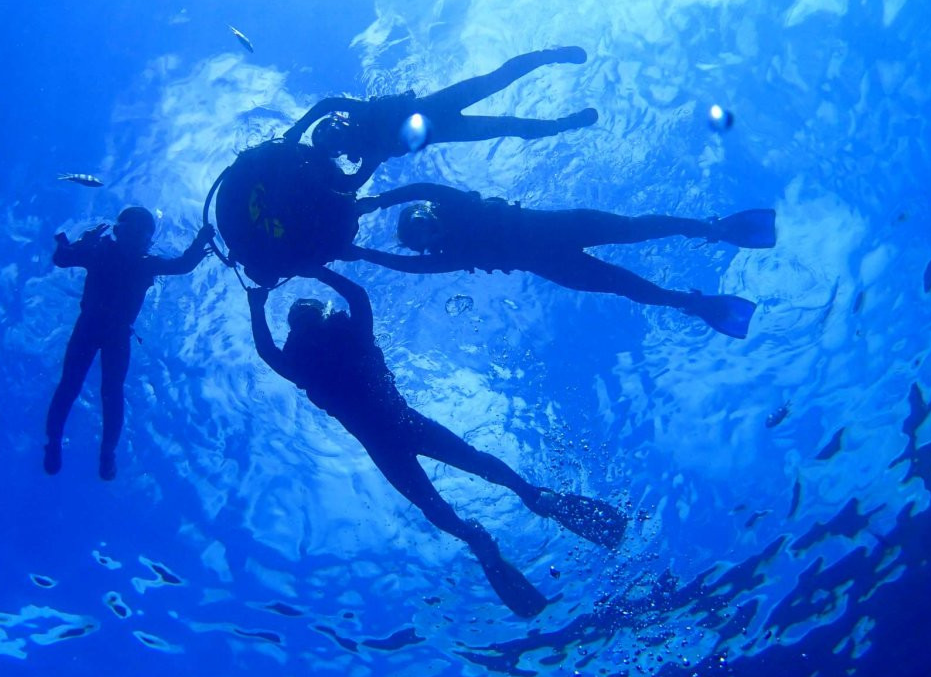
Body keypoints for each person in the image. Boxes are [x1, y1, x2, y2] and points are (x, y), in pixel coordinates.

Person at [247, 266, 625, 617]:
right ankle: (531, 497)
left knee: (435, 502)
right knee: (473, 464)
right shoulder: (351, 338)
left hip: (384, 442)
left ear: (295, 328)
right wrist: (315, 269)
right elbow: (358, 297)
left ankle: (478, 532)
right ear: (320, 316)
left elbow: (267, 349)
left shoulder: (302, 366)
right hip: (407, 424)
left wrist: (256, 303)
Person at [347, 184, 776, 339]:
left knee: (633, 228)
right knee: (628, 286)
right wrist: (364, 253)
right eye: (422, 241)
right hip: (556, 265)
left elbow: (421, 185)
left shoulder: (456, 205)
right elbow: (413, 267)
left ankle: (711, 229)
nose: (429, 239)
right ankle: (694, 303)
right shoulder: (450, 256)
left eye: (422, 225)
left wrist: (379, 200)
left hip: (559, 228)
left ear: (429, 214)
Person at [44, 208, 213, 480]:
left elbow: (182, 265)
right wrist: (77, 244)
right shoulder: (106, 254)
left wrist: (201, 241)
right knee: (87, 388)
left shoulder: (124, 258)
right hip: (103, 331)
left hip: (107, 332)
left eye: (141, 232)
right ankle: (69, 445)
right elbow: (62, 258)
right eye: (133, 229)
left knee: (95, 389)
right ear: (119, 231)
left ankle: (97, 450)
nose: (136, 236)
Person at [284, 49, 598, 188]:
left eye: (332, 132)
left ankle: (549, 56)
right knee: (508, 125)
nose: (337, 139)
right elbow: (352, 184)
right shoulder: (368, 153)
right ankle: (562, 125)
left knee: (497, 79)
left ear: (339, 125)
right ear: (337, 153)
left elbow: (328, 102)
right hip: (446, 128)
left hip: (437, 107)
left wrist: (298, 129)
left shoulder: (361, 115)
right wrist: (320, 179)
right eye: (332, 143)